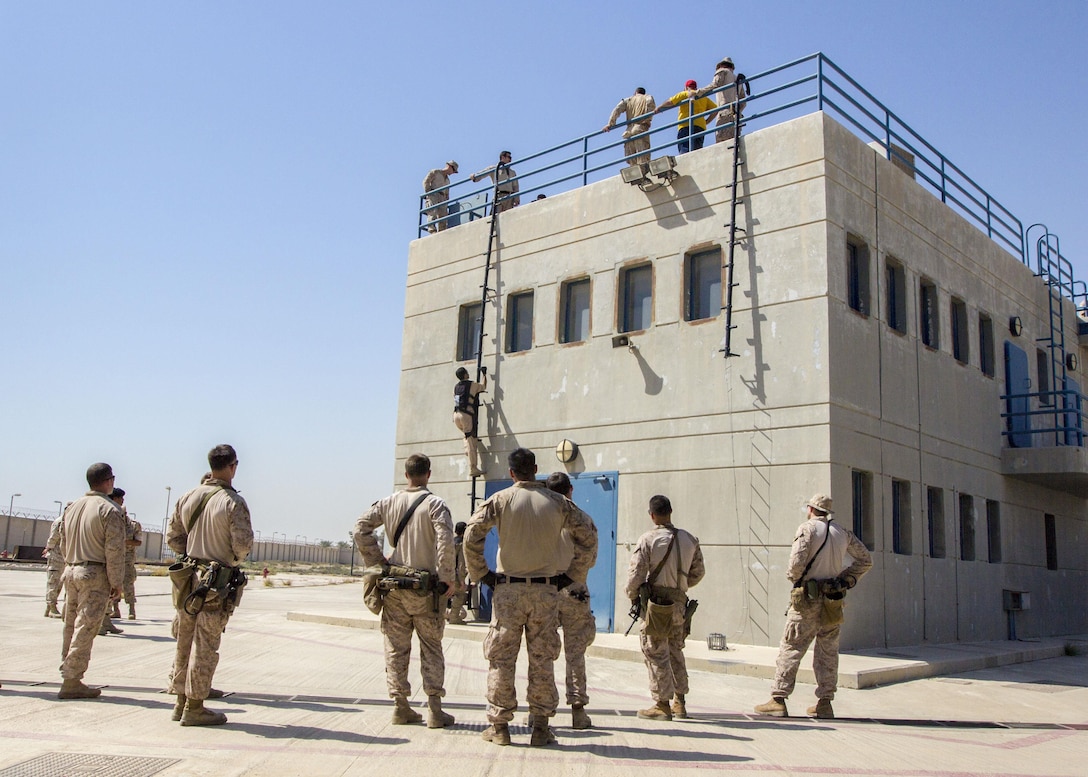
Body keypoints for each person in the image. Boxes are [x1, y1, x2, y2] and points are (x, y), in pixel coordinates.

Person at [464, 448, 596, 747]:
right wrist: (574, 575)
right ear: (535, 469)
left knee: (501, 658)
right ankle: (540, 726)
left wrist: (481, 574)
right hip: (546, 591)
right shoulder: (558, 502)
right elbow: (588, 535)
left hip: (508, 589)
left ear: (511, 472)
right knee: (542, 658)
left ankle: (499, 727)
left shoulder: (500, 500)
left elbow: (472, 533)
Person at [353, 453, 457, 728]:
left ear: (406, 474)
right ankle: (435, 709)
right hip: (426, 590)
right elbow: (446, 542)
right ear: (429, 474)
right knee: (432, 648)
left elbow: (360, 529)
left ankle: (401, 706)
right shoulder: (435, 504)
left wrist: (377, 560)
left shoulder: (388, 502)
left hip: (395, 587)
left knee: (396, 649)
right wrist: (448, 578)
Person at [755, 493, 872, 719]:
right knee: (828, 652)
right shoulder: (842, 532)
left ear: (811, 509)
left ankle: (778, 699)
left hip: (807, 600)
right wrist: (846, 579)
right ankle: (825, 703)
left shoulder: (807, 529)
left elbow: (795, 566)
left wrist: (798, 580)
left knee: (792, 647)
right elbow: (865, 560)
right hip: (833, 600)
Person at [167, 444, 254, 726]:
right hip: (214, 582)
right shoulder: (232, 502)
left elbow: (173, 537)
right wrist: (227, 559)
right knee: (205, 644)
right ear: (233, 466)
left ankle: (180, 702)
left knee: (184, 641)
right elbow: (242, 546)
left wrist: (191, 556)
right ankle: (195, 707)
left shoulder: (187, 497)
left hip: (188, 580)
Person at [625, 494, 705, 721]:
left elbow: (636, 576)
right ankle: (680, 701)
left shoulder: (648, 540)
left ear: (652, 515)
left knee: (656, 652)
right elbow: (698, 572)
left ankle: (662, 704)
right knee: (676, 650)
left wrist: (631, 595)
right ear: (670, 511)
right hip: (680, 604)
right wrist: (679, 587)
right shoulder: (690, 539)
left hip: (657, 605)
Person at [56, 462, 126, 699]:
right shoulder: (110, 510)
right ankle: (72, 679)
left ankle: (68, 671)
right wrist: (117, 582)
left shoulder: (73, 507)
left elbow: (63, 542)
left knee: (71, 624)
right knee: (86, 627)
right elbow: (114, 550)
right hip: (94, 574)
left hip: (72, 569)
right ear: (108, 481)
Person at [543, 472, 598, 730]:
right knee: (575, 653)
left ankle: (540, 711)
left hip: (546, 589)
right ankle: (578, 712)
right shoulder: (582, 518)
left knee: (542, 651)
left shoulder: (540, 518)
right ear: (571, 489)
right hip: (575, 589)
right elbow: (591, 557)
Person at [654, 79, 717, 154]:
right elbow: (715, 109)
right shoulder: (703, 97)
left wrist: (660, 107)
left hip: (685, 125)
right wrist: (706, 121)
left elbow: (670, 102)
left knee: (685, 149)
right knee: (697, 149)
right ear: (696, 88)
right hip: (700, 126)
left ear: (686, 87)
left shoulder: (684, 94)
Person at [693, 56, 742, 143]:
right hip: (736, 115)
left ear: (721, 66)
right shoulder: (738, 80)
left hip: (724, 112)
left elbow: (715, 84)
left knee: (722, 142)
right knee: (734, 143)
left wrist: (698, 92)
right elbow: (743, 102)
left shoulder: (723, 72)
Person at [603, 87, 656, 166]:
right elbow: (651, 108)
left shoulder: (628, 100)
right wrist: (647, 120)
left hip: (629, 131)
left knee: (632, 162)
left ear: (635, 93)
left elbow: (617, 110)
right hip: (640, 128)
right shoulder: (647, 97)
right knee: (643, 158)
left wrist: (610, 124)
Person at [453, 366, 488, 477]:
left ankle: (467, 451)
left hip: (456, 415)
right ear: (465, 375)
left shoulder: (456, 387)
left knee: (467, 436)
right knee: (471, 441)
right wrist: (484, 375)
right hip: (466, 415)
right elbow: (483, 386)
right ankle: (473, 468)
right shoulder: (471, 384)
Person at [43, 510, 68, 618]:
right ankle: (51, 607)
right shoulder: (60, 521)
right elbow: (53, 538)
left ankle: (49, 608)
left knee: (60, 584)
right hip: (56, 557)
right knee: (53, 582)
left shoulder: (69, 521)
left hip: (65, 557)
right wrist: (48, 548)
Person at [422, 161, 459, 233]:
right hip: (433, 193)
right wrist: (429, 192)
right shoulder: (435, 172)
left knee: (443, 215)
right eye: (453, 170)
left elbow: (447, 191)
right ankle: (432, 229)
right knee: (433, 212)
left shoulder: (448, 180)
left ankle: (442, 231)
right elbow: (426, 181)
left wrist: (446, 198)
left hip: (442, 197)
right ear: (449, 166)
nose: (452, 173)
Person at [447, 521, 469, 625]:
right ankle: (454, 617)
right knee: (460, 595)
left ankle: (448, 614)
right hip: (456, 576)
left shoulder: (451, 543)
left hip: (446, 574)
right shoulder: (461, 545)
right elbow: (461, 564)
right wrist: (462, 580)